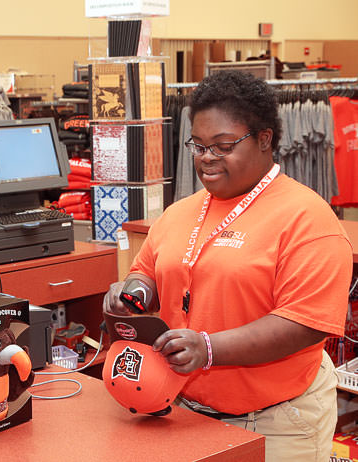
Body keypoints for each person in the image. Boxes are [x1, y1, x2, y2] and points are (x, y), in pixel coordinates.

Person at [103, 70, 352, 461]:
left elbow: (304, 324)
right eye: (198, 146)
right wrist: (135, 291)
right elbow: (147, 270)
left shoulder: (308, 219)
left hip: (277, 424)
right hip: (182, 410)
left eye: (223, 146)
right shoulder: (180, 211)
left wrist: (209, 348)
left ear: (265, 139)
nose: (206, 158)